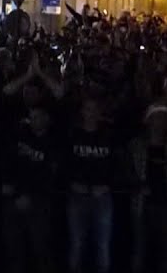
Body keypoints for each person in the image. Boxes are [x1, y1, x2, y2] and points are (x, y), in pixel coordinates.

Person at [0, 105, 60, 273]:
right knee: (13, 250)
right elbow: (8, 165)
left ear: (47, 119)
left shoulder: (53, 142)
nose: (34, 121)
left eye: (38, 116)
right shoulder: (19, 138)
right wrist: (12, 189)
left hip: (39, 202)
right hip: (14, 199)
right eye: (31, 117)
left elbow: (50, 174)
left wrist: (29, 195)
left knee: (41, 249)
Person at [131, 105, 167, 273]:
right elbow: (126, 172)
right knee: (139, 254)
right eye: (157, 117)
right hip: (141, 207)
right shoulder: (136, 146)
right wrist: (138, 186)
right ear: (148, 121)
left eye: (164, 118)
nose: (161, 122)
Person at [65, 97, 117, 273]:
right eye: (88, 108)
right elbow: (64, 166)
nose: (91, 113)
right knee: (77, 245)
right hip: (77, 196)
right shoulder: (73, 135)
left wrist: (107, 185)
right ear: (82, 111)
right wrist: (73, 184)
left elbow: (117, 166)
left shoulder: (109, 136)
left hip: (102, 197)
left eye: (94, 109)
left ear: (100, 112)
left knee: (102, 246)